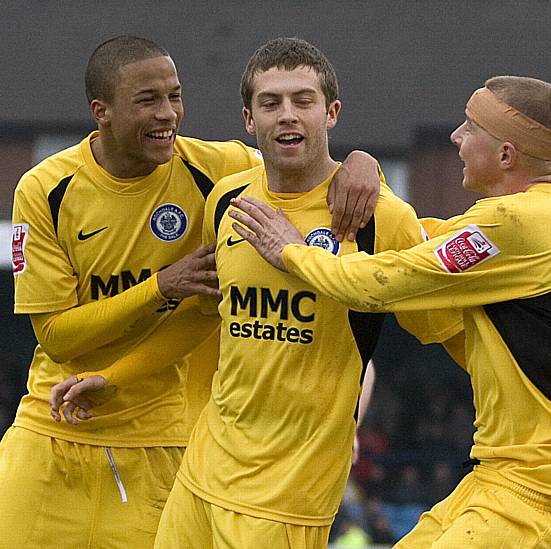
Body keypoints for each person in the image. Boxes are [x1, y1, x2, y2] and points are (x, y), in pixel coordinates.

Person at [51, 37, 463, 548]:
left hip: (289, 495)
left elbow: (455, 335)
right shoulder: (227, 201)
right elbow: (204, 315)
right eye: (270, 103)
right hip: (203, 474)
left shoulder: (380, 218)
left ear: (331, 112)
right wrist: (114, 377)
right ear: (249, 120)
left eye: (302, 101)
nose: (286, 115)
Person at [229, 75, 551, 547]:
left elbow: (374, 284)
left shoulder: (515, 223)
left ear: (505, 155)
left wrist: (292, 251)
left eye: (469, 128)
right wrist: (362, 167)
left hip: (537, 495)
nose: (455, 138)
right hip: (510, 477)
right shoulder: (540, 218)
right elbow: (419, 241)